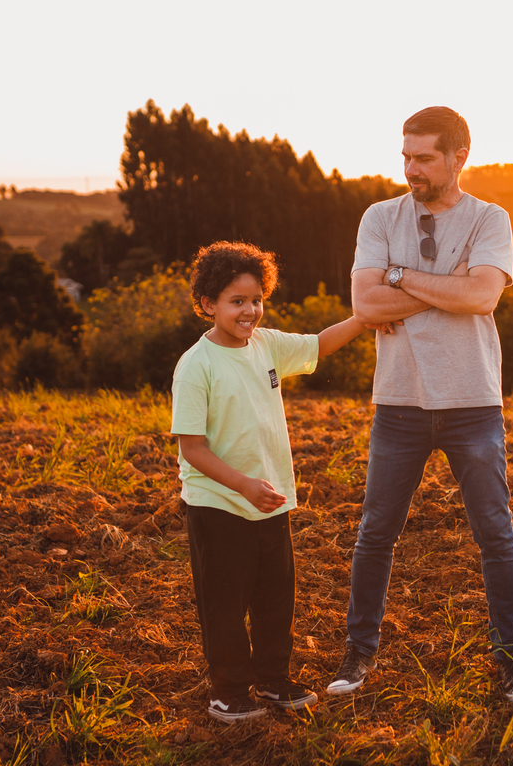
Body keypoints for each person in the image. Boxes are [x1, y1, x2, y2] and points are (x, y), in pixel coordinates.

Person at [326, 107, 513, 702]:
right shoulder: (380, 216)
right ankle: (358, 654)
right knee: (376, 533)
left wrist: (400, 277)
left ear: (458, 157)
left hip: (473, 401)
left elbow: (481, 296)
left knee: (496, 533)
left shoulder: (489, 220)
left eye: (423, 157)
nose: (410, 168)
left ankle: (510, 659)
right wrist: (441, 287)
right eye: (406, 156)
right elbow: (366, 307)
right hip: (399, 403)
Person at [171, 240, 368, 723]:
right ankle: (229, 690)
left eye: (256, 299)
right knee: (225, 604)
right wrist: (243, 485)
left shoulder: (267, 345)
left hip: (270, 500)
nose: (250, 311)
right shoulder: (197, 365)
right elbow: (191, 448)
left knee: (275, 599)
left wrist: (365, 318)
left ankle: (274, 680)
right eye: (236, 301)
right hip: (220, 503)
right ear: (208, 305)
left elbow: (320, 343)